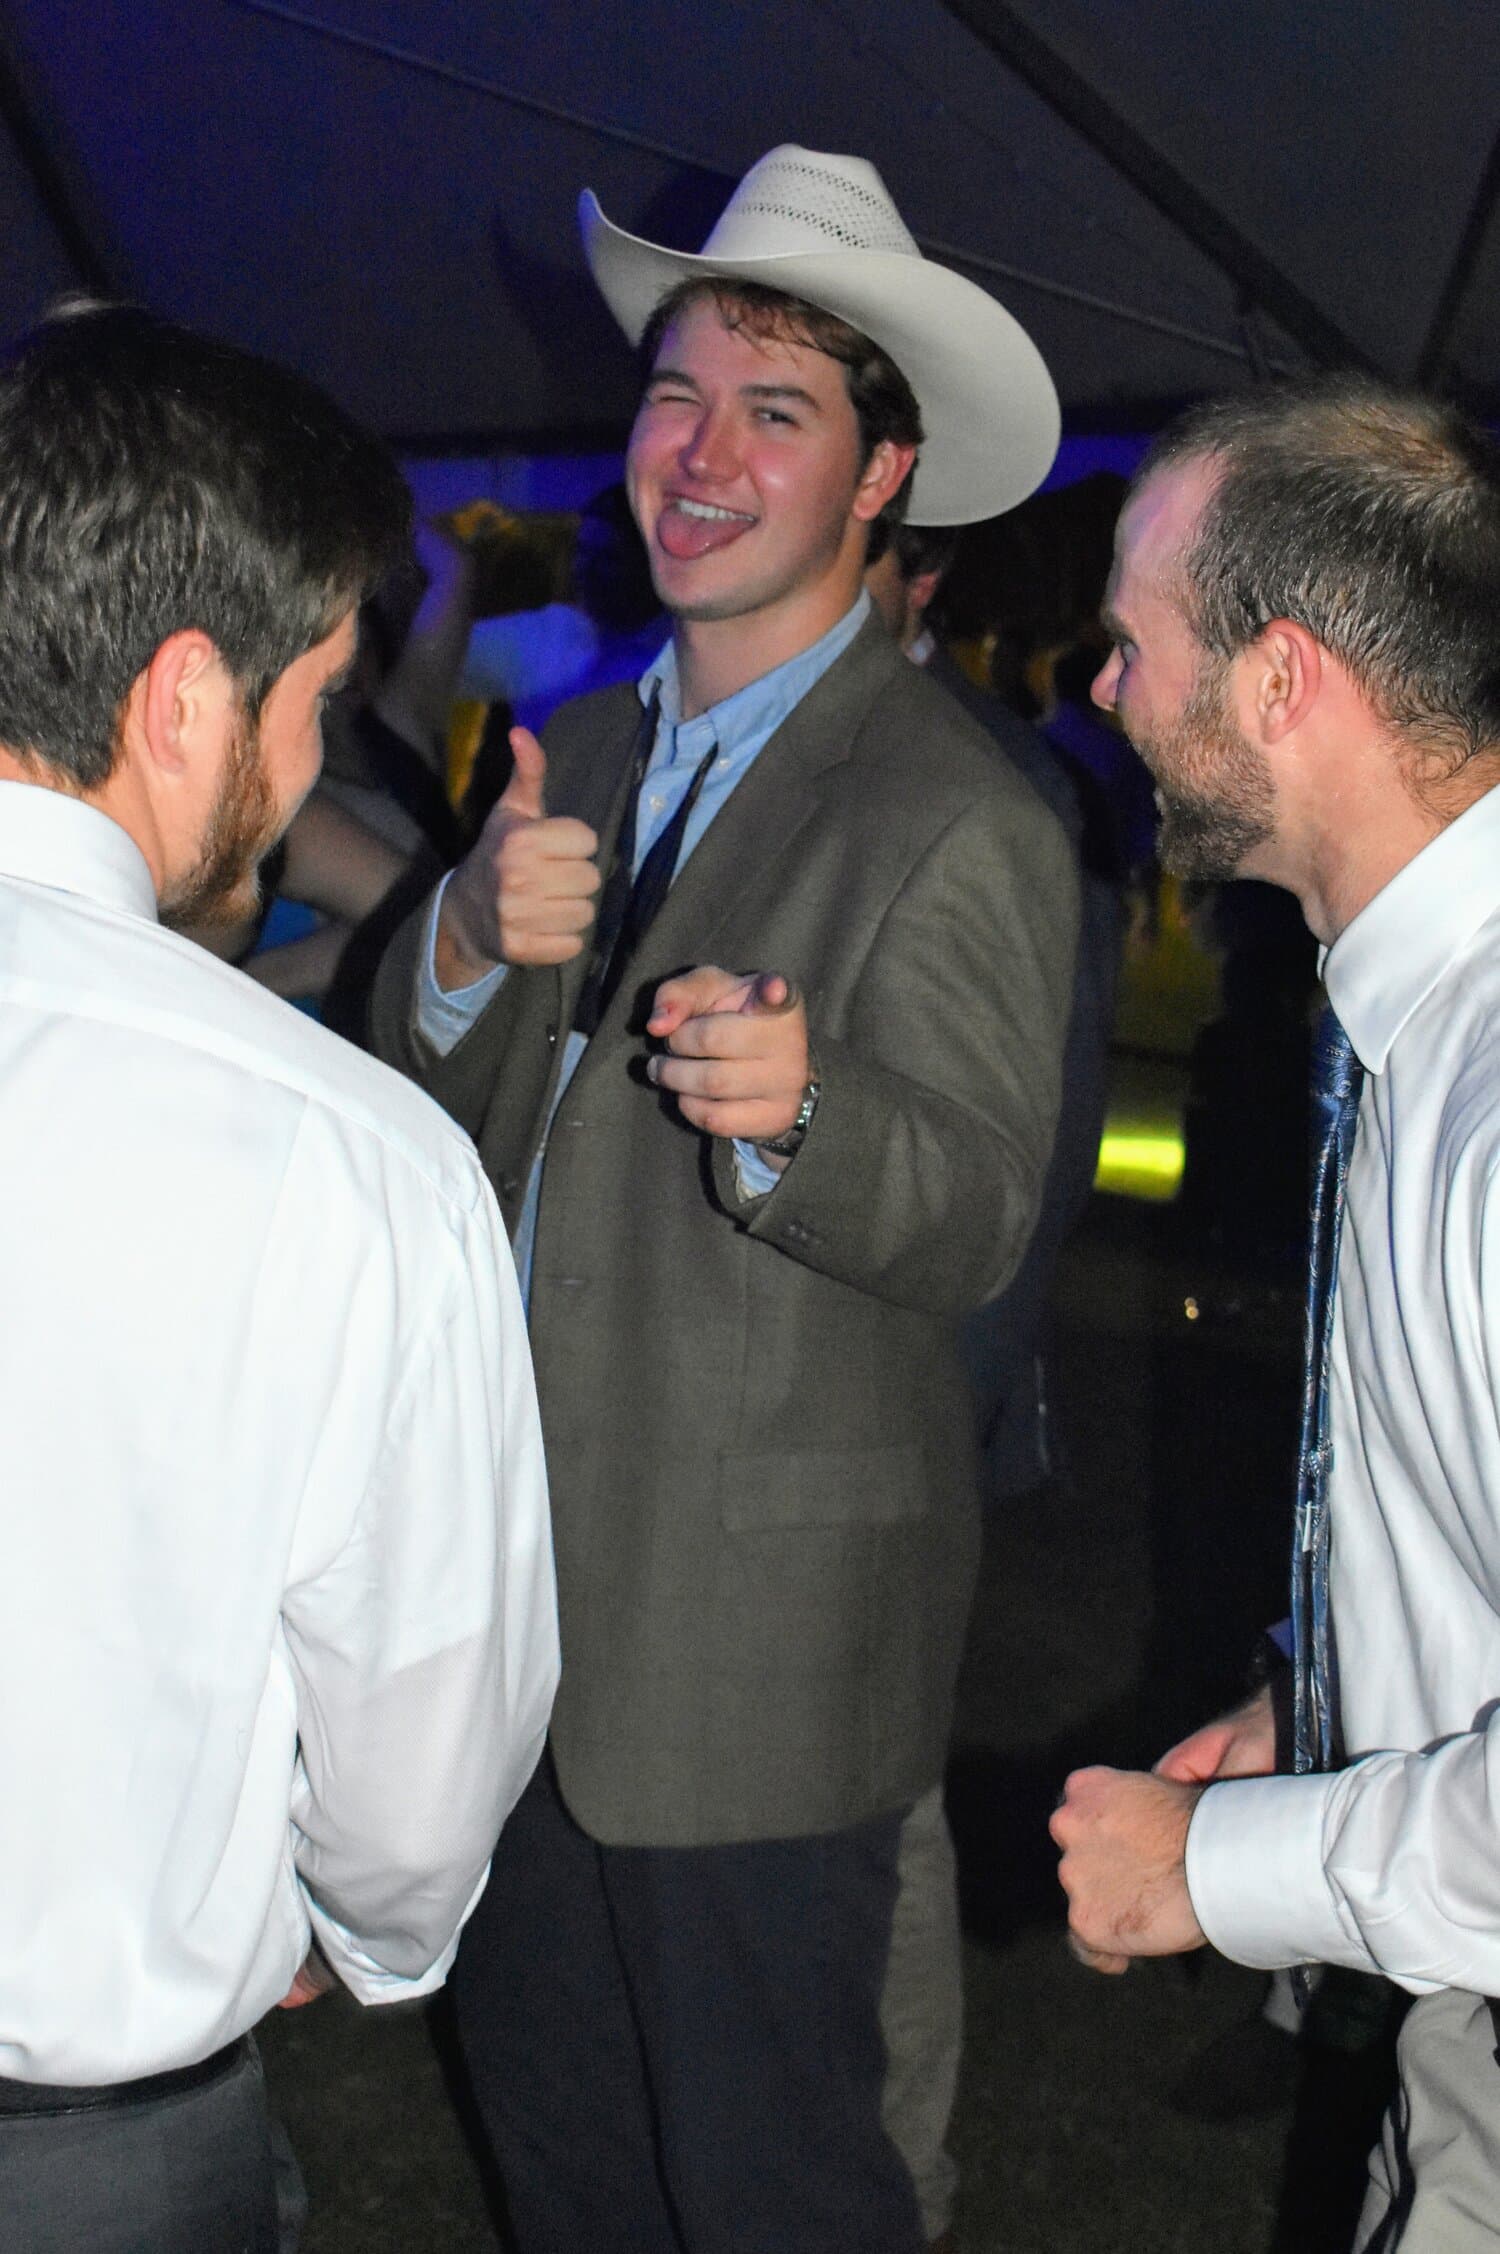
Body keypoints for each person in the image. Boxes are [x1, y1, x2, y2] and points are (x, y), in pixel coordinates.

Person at [372, 143, 1076, 2253]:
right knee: (565, 2163)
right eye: (679, 394)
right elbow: (428, 1121)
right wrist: (466, 949)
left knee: (779, 2190)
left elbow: (971, 1215)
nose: (699, 452)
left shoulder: (958, 807)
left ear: (883, 480)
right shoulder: (565, 750)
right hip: (515, 1630)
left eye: (779, 412)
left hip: (759, 1662)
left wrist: (802, 1116)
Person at [0, 303, 559, 2252]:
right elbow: (419, 1765)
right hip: (81, 2159)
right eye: (316, 694)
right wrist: (363, 1927)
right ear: (181, 702)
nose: (319, 750)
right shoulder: (348, 1159)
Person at [1050, 374, 1500, 2249]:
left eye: (1132, 642)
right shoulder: (1417, 1016)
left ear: (1282, 681)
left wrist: (1228, 1864)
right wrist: (1330, 1701)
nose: (1102, 691)